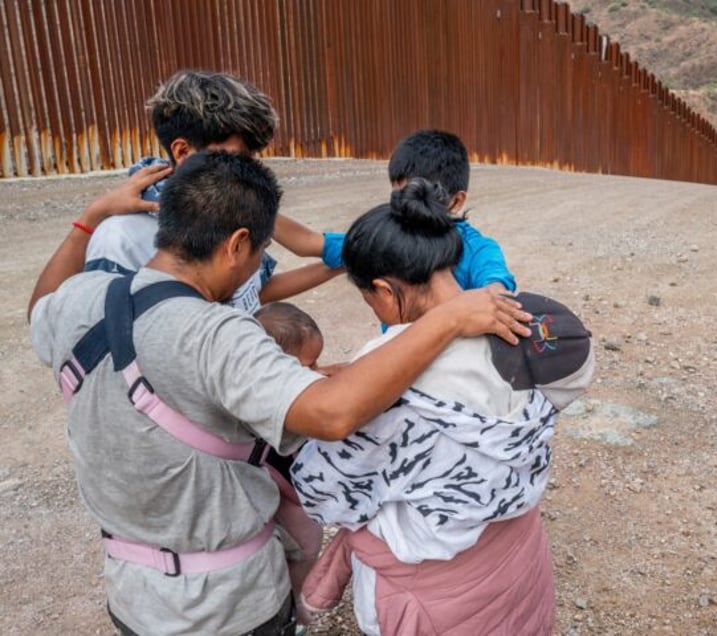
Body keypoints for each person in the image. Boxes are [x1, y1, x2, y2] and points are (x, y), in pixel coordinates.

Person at [28, 151, 531, 635]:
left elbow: (39, 307)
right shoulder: (219, 335)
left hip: (132, 593)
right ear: (237, 244)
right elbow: (332, 417)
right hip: (227, 605)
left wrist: (89, 219)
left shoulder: (82, 298)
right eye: (260, 253)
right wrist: (447, 318)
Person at [291, 178, 594, 635]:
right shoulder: (522, 325)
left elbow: (324, 492)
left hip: (433, 593)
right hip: (517, 559)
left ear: (384, 292)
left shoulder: (380, 380)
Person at [84, 69, 340, 314]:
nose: (242, 170)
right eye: (235, 157)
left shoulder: (231, 203)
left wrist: (344, 264)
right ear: (182, 151)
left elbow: (252, 292)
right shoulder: (121, 239)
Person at [289, 128, 517, 295]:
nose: (405, 207)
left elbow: (496, 289)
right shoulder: (383, 237)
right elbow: (306, 242)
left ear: (457, 201)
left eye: (418, 196)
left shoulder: (477, 249)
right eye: (400, 196)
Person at [254, 302, 326, 630]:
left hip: (278, 490)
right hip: (288, 494)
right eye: (308, 365)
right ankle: (296, 604)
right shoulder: (277, 403)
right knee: (307, 546)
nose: (315, 372)